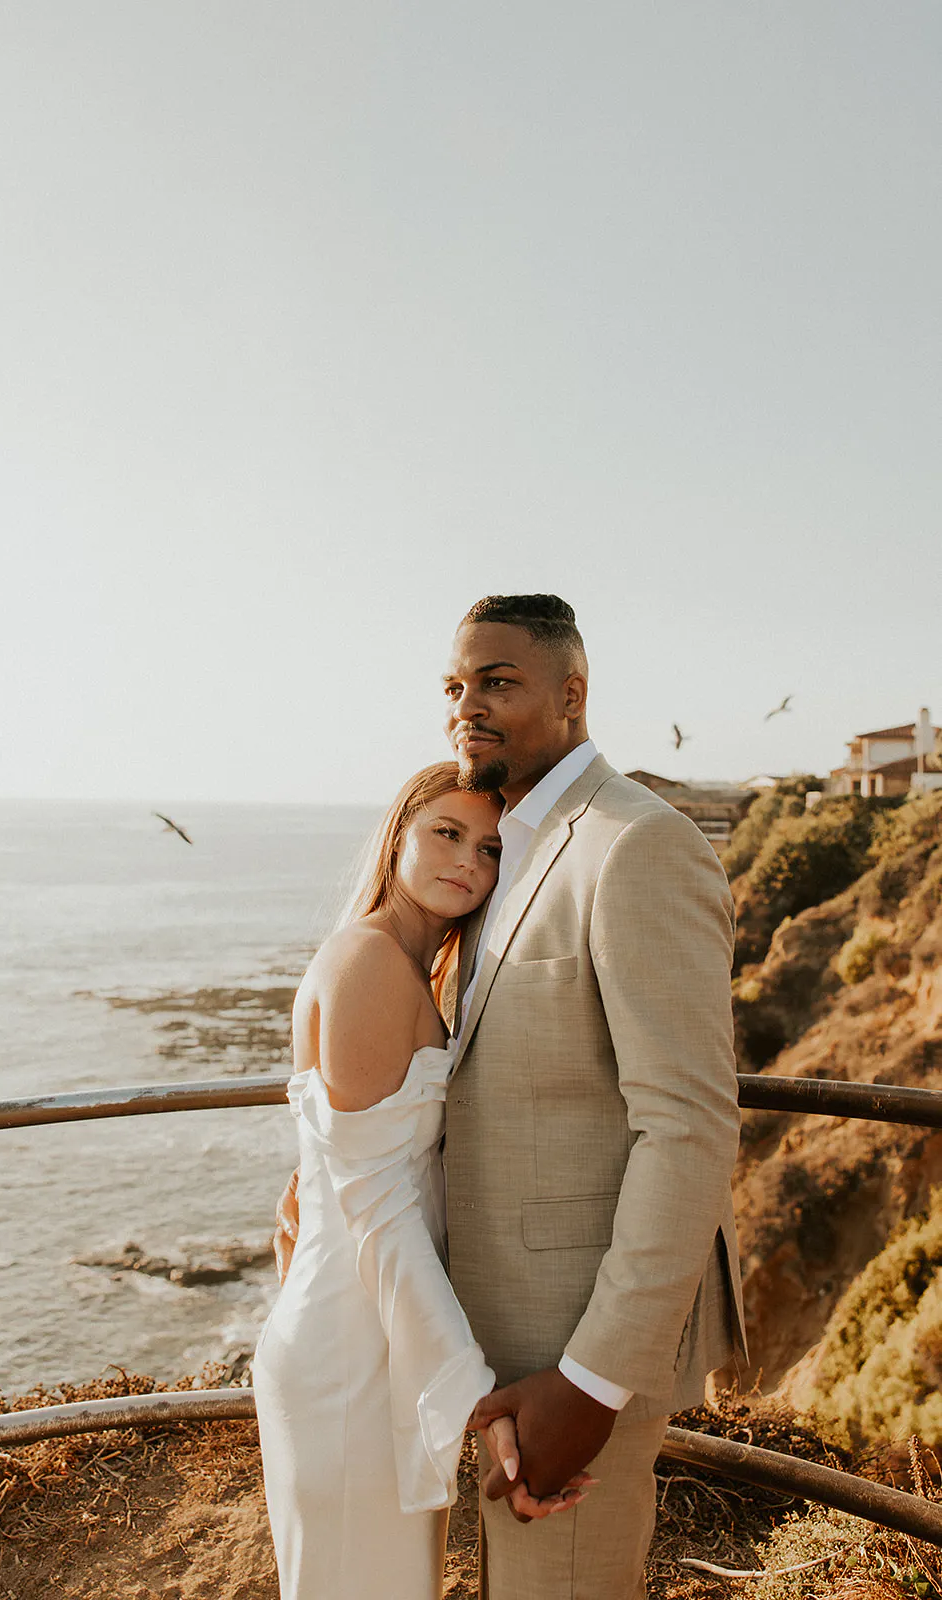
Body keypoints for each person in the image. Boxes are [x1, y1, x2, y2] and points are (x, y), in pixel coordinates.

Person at [277, 593, 748, 1600]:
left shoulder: (633, 843)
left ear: (571, 694)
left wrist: (591, 1382)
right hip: (470, 1346)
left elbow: (688, 1129)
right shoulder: (515, 846)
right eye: (453, 685)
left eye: (497, 680)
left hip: (569, 1353)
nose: (466, 705)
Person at [253, 762, 591, 1600]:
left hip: (375, 1331)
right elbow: (380, 1209)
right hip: (348, 1352)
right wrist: (475, 1394)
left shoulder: (399, 965)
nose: (468, 863)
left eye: (488, 848)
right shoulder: (366, 964)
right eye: (445, 833)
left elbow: (332, 1173)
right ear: (397, 832)